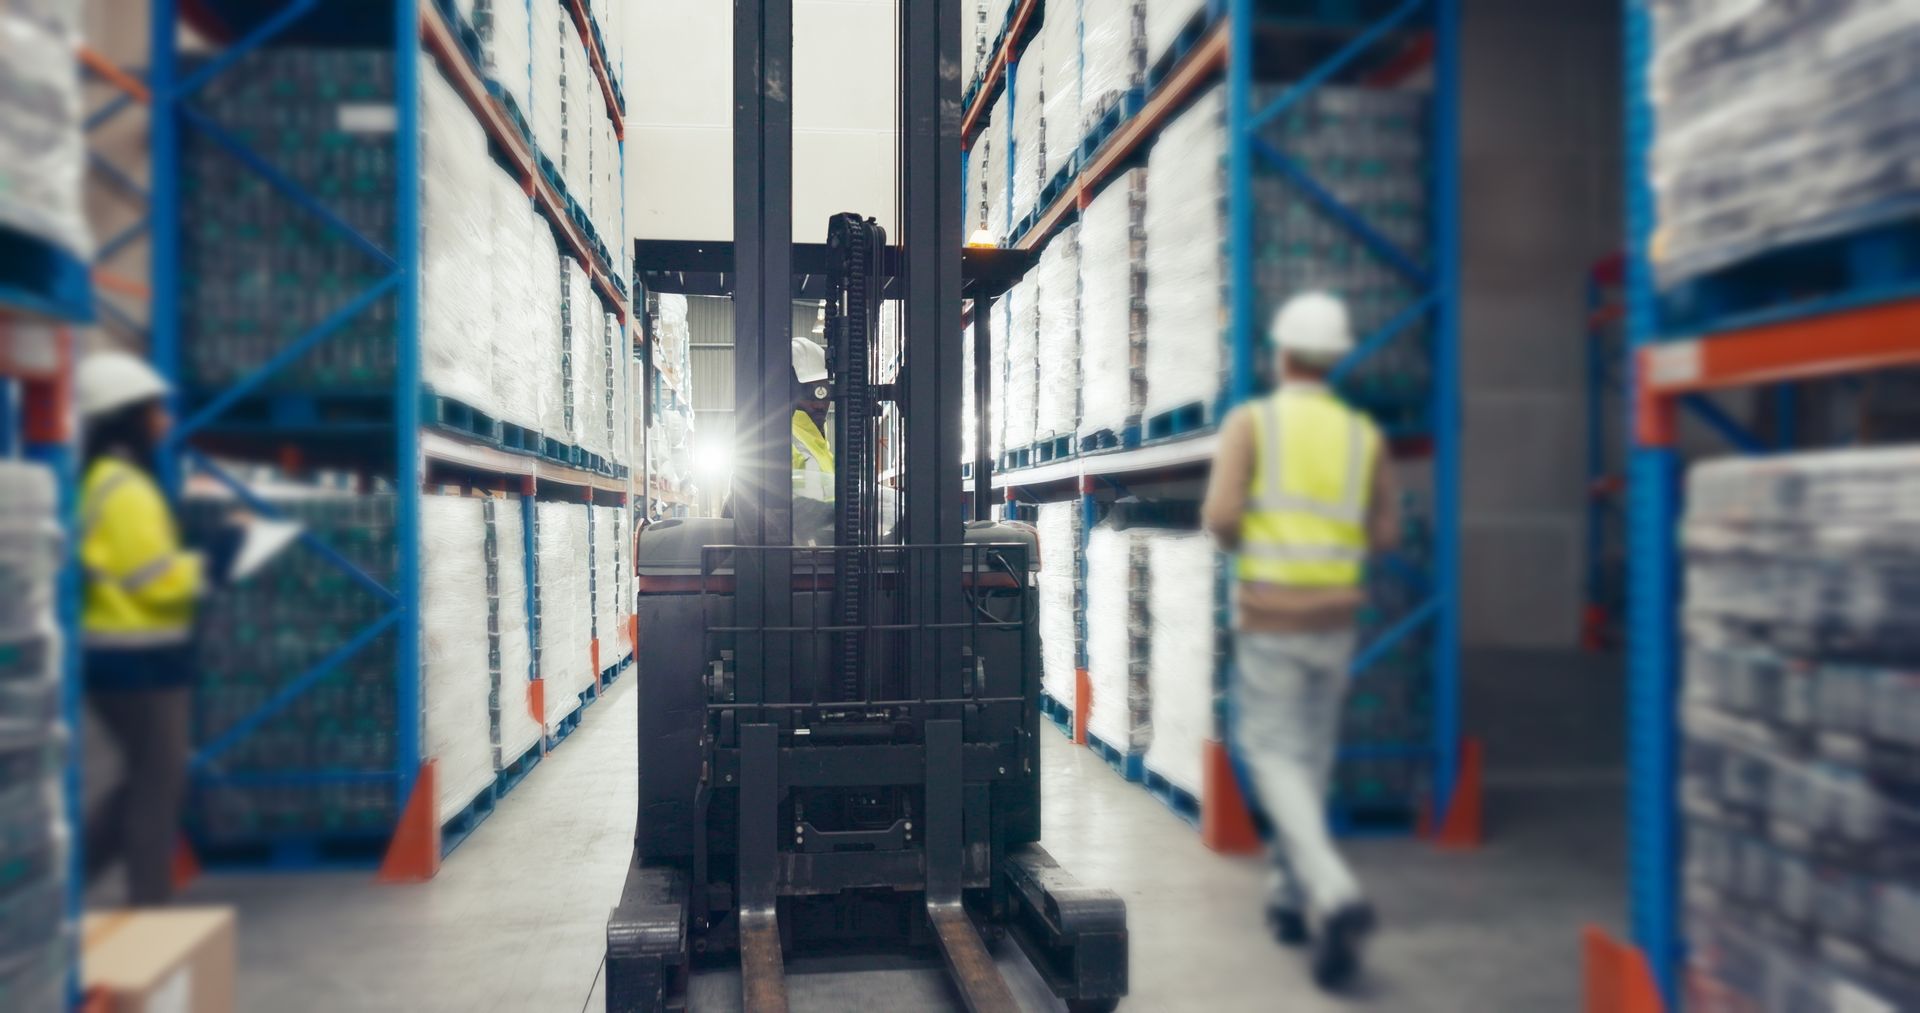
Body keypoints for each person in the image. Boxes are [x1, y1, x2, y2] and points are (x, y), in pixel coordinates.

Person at [1201, 291, 1400, 990]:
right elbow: (1384, 532)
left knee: (1271, 756)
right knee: (1309, 761)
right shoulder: (1362, 436)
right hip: (1337, 617)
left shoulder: (1253, 424)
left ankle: (1334, 892)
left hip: (1273, 612)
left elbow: (1221, 516)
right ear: (1335, 358)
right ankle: (1289, 901)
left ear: (1283, 355)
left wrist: (1261, 540)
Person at [76, 351, 223, 904]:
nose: (164, 421)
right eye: (154, 410)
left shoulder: (99, 480)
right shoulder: (125, 490)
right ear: (125, 415)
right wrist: (212, 563)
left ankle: (55, 886)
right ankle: (148, 913)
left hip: (119, 656)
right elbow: (155, 582)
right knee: (157, 790)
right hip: (140, 660)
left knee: (147, 779)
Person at [790, 336, 835, 503]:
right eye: (809, 395)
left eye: (823, 393)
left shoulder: (818, 444)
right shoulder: (784, 442)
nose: (820, 404)